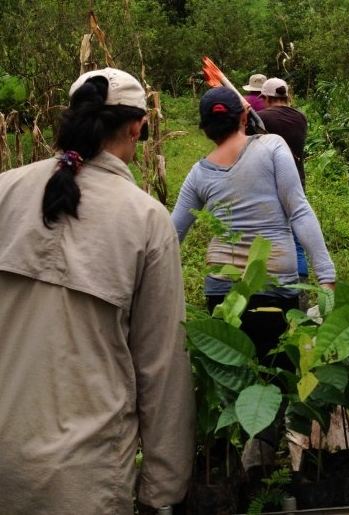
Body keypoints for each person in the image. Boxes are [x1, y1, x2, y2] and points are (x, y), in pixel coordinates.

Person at [0, 67, 195, 514]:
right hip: (83, 480)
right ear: (137, 127)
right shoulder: (146, 220)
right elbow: (163, 366)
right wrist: (162, 490)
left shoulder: (5, 191)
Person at [171, 86, 335, 363]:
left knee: (233, 379)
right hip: (276, 286)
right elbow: (298, 211)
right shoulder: (272, 146)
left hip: (222, 292)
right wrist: (326, 276)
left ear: (205, 130)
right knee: (277, 376)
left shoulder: (198, 173)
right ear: (243, 118)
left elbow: (171, 235)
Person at [258, 77, 310, 297]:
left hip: (269, 185)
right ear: (286, 96)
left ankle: (271, 290)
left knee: (268, 239)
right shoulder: (301, 118)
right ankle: (302, 292)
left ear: (268, 98)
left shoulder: (260, 118)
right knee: (297, 240)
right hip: (297, 182)